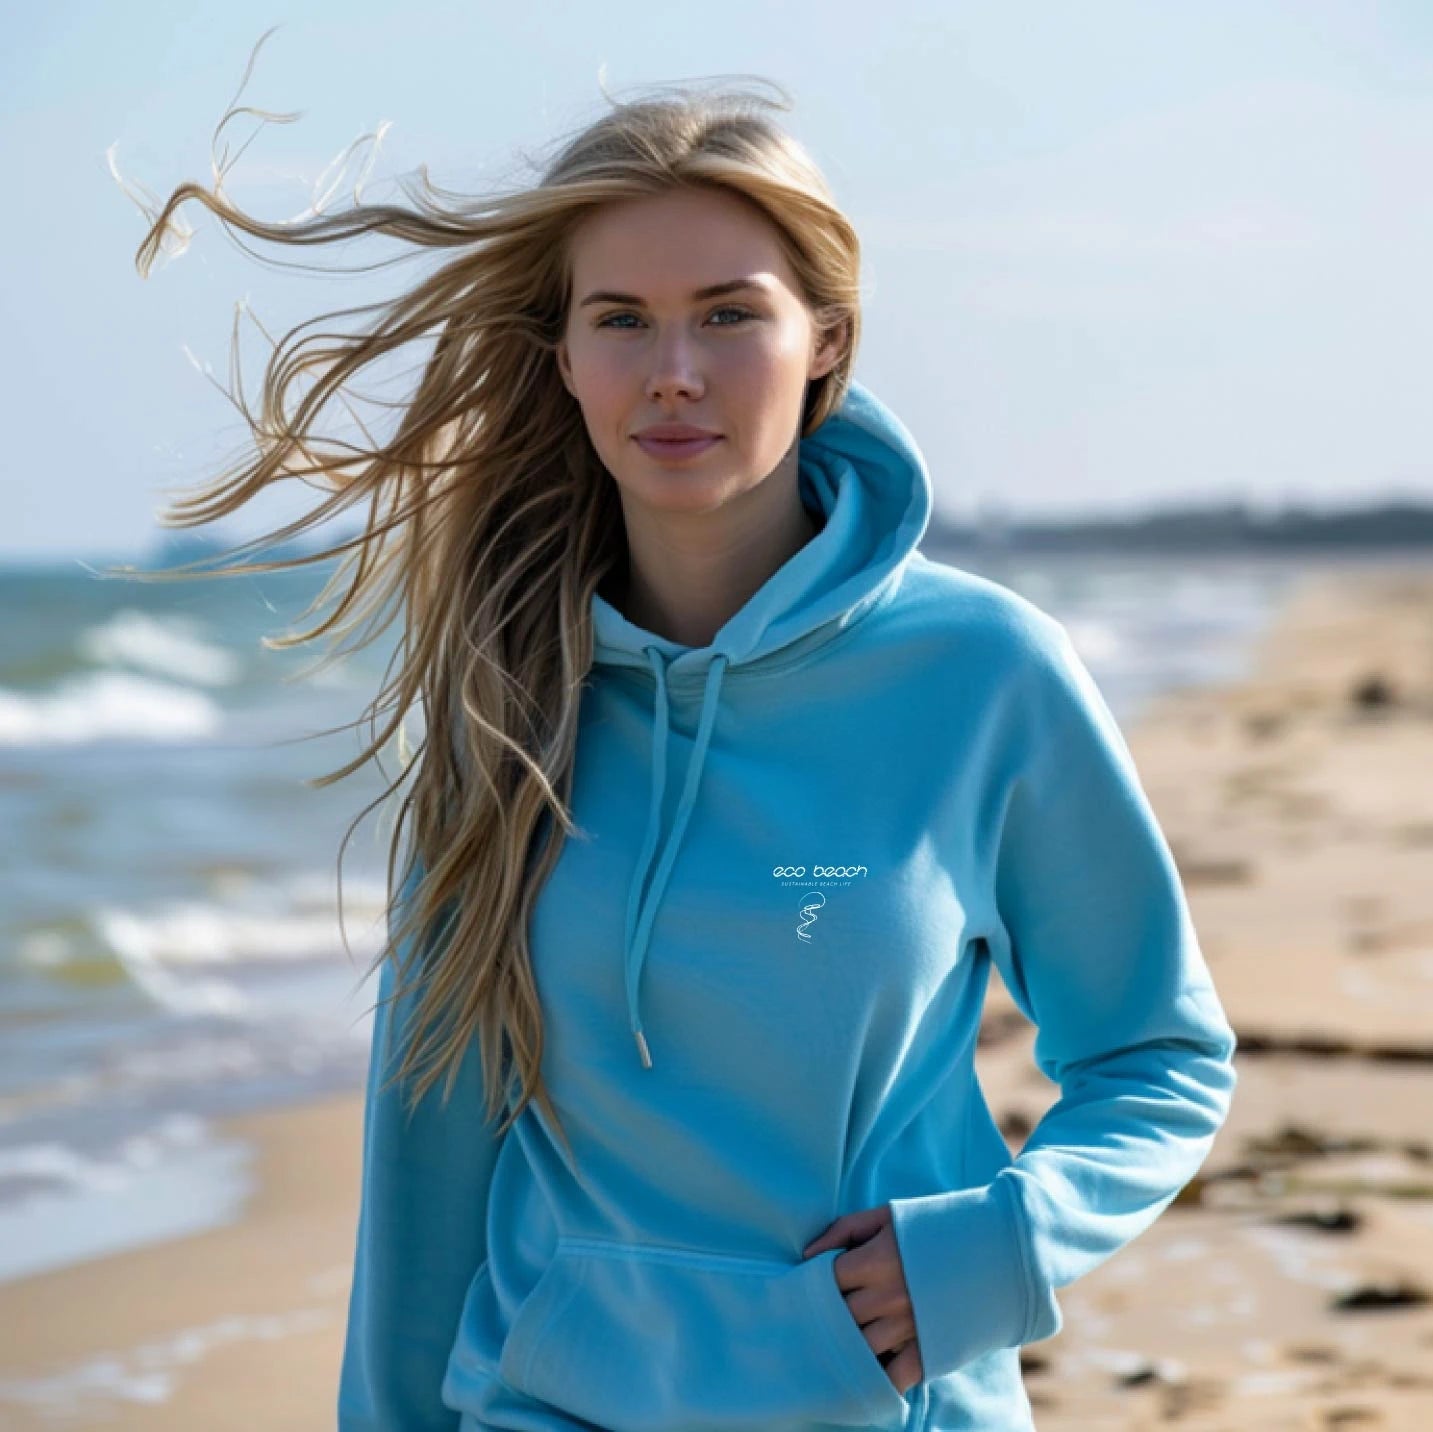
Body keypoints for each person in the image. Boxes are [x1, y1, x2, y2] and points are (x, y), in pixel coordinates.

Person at [112, 50, 1237, 1432]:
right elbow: (434, 1147)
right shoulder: (507, 689)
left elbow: (1154, 1056)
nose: (675, 375)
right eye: (623, 321)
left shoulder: (982, 675)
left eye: (728, 315)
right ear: (566, 357)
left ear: (824, 336)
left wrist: (997, 1249)